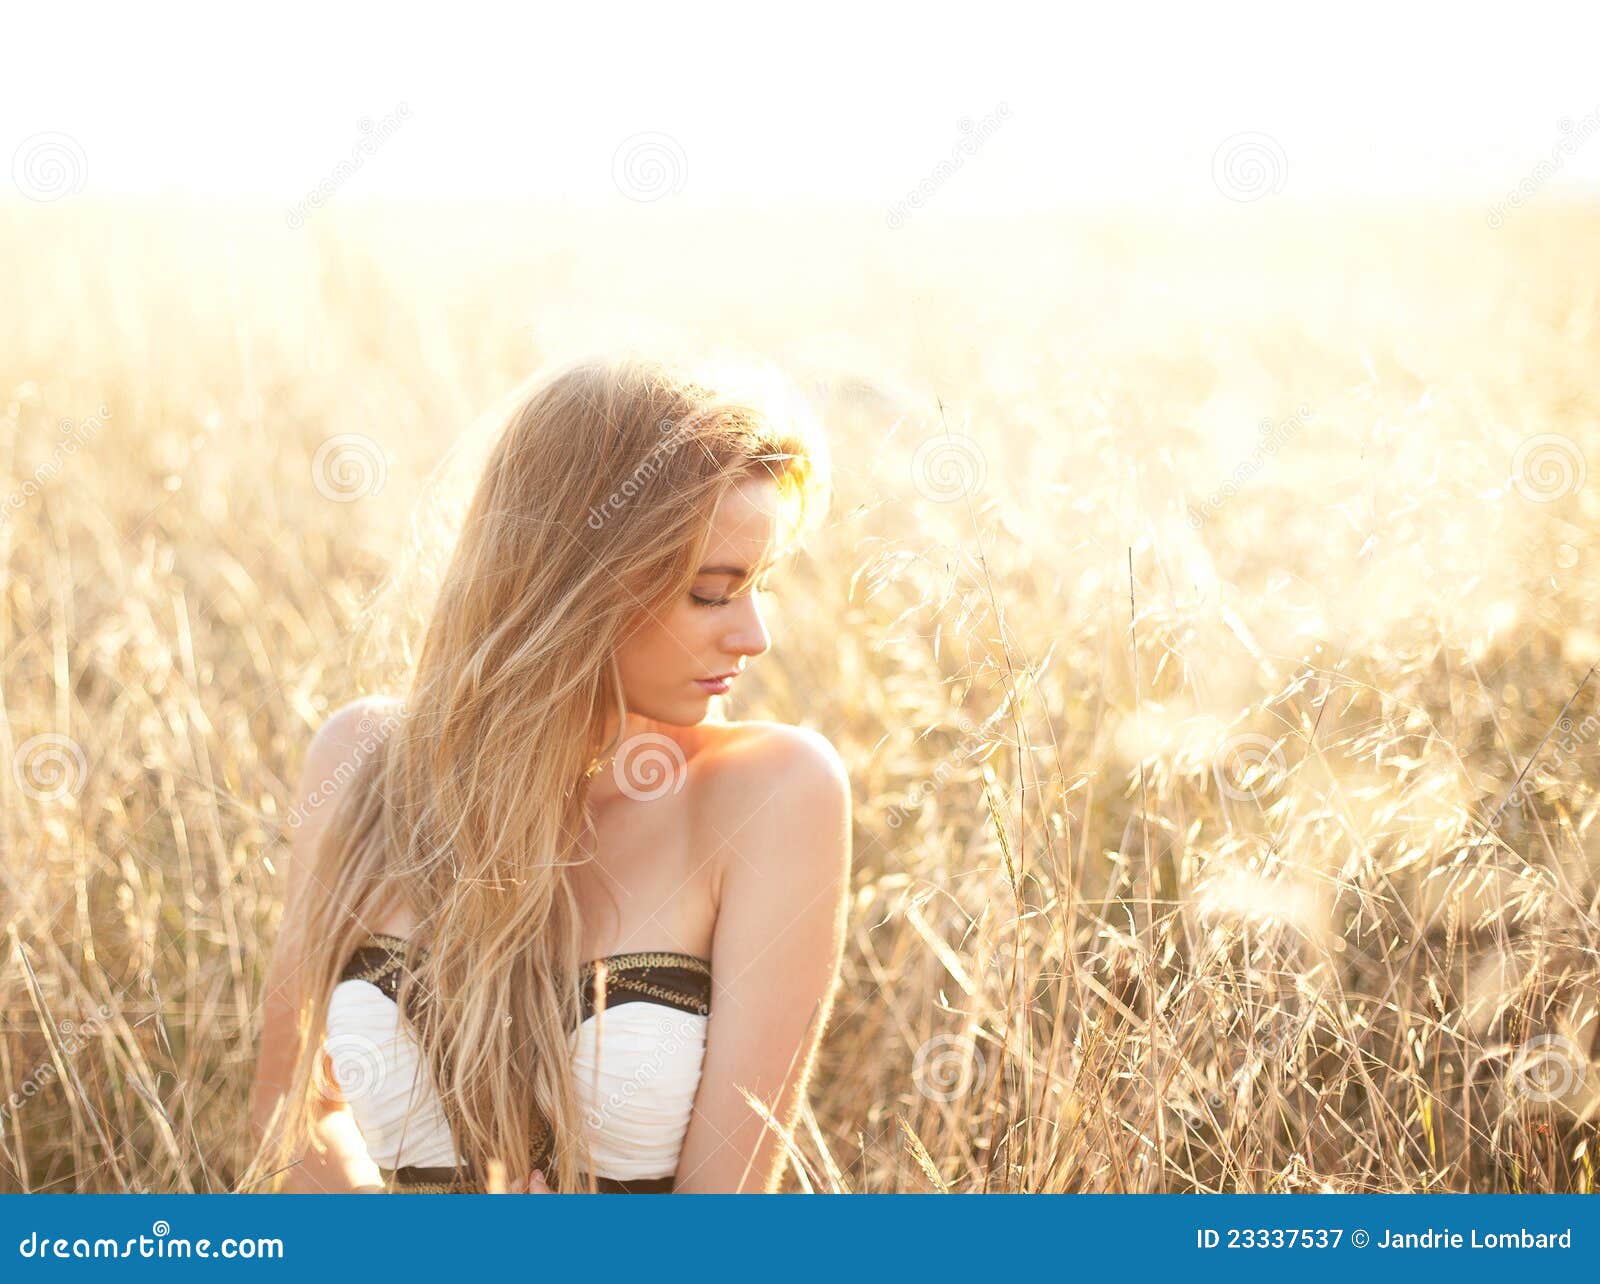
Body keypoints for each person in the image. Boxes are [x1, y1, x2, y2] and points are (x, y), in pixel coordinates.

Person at [243, 356, 851, 1194]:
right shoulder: (358, 762)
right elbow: (290, 1122)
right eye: (711, 594)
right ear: (574, 585)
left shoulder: (773, 794)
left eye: (760, 586)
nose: (754, 635)